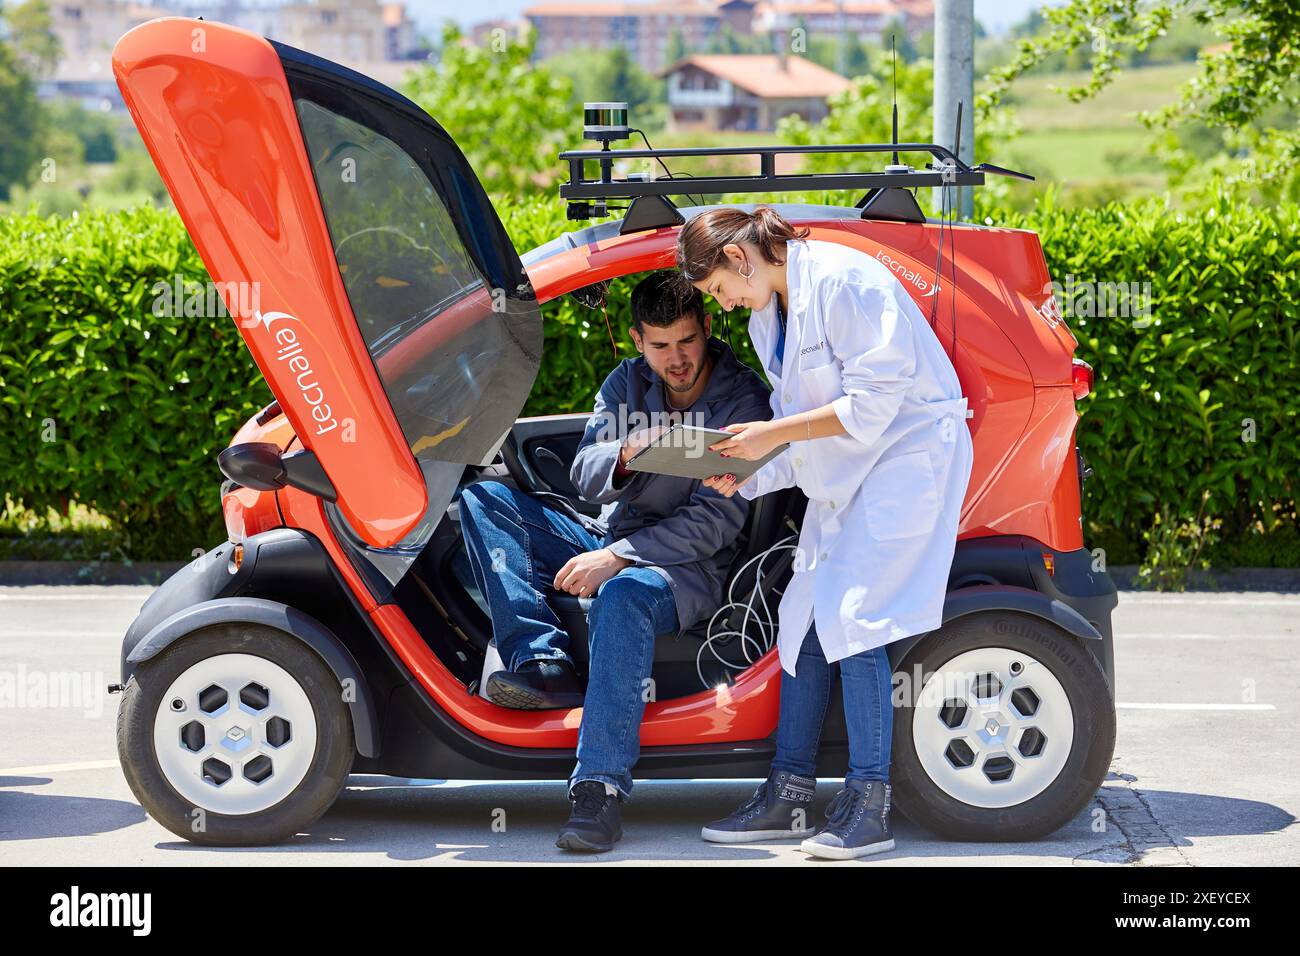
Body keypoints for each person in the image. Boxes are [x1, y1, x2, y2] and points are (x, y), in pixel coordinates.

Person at [678, 207, 974, 860]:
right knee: (803, 618)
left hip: (904, 461)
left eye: (718, 292)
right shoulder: (769, 317)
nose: (723, 306)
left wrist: (769, 437)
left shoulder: (846, 281)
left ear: (737, 258)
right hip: (850, 473)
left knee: (856, 618)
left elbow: (871, 406)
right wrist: (744, 474)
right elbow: (799, 426)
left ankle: (870, 806)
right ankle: (787, 794)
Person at [455, 270, 773, 852]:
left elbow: (715, 524)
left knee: (620, 593)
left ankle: (598, 791)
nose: (676, 359)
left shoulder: (742, 399)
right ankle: (542, 662)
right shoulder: (624, 383)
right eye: (660, 345)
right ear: (636, 340)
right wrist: (627, 452)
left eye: (686, 341)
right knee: (484, 498)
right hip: (609, 534)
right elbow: (584, 474)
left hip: (687, 569)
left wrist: (618, 558)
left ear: (707, 327)